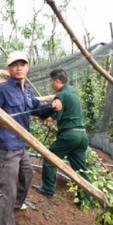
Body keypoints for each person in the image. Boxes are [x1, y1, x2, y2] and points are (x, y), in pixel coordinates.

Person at [0, 51, 52, 225]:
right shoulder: (1, 90)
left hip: (21, 145)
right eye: (15, 65)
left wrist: (53, 107)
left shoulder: (26, 91)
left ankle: (16, 204)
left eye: (23, 64)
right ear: (9, 69)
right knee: (8, 190)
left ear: (27, 67)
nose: (19, 67)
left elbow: (37, 110)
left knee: (27, 176)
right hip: (6, 147)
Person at [33, 69, 89, 199]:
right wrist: (38, 99)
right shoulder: (72, 91)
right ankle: (86, 197)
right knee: (80, 168)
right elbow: (55, 97)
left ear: (57, 81)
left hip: (69, 136)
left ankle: (47, 189)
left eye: (51, 81)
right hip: (82, 136)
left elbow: (54, 117)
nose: (50, 84)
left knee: (50, 158)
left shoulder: (61, 96)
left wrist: (41, 115)